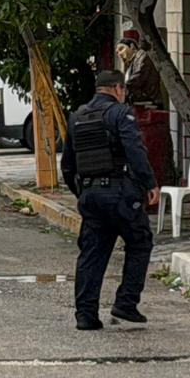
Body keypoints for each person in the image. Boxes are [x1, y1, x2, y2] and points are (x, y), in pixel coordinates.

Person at [60, 69, 159, 330]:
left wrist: (83, 193)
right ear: (117, 88)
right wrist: (150, 183)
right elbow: (135, 150)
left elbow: (68, 165)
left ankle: (86, 315)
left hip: (91, 196)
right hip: (120, 194)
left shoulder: (77, 117)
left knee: (92, 255)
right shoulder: (119, 113)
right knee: (140, 242)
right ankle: (126, 302)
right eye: (123, 90)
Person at [116, 29, 163, 108]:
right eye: (117, 52)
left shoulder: (142, 56)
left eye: (121, 49)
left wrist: (122, 89)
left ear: (132, 46)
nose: (119, 54)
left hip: (150, 103)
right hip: (141, 103)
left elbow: (138, 77)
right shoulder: (132, 62)